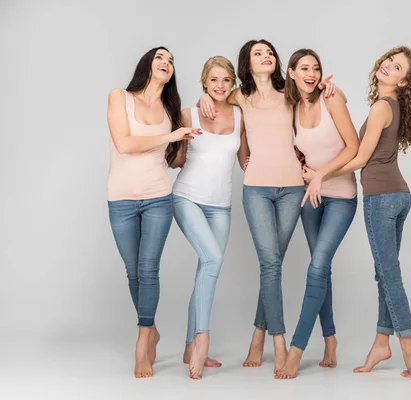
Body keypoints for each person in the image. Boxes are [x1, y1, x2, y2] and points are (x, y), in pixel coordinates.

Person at [198, 39, 335, 373]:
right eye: (259, 53)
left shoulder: (290, 91)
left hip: (292, 189)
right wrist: (203, 95)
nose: (267, 56)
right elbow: (215, 93)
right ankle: (278, 338)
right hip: (256, 189)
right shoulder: (239, 96)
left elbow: (315, 90)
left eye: (270, 52)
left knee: (273, 262)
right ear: (248, 61)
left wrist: (329, 86)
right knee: (270, 263)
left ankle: (258, 334)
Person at [304, 45, 411, 378]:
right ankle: (380, 343)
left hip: (382, 198)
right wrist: (337, 93)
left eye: (397, 67)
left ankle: (408, 343)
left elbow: (358, 159)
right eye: (389, 60)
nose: (388, 66)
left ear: (403, 82)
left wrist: (319, 174)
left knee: (389, 274)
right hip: (398, 195)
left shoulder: (380, 108)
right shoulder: (392, 105)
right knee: (384, 273)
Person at [106, 46, 199, 378]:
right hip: (121, 198)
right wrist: (172, 134)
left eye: (172, 60)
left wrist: (186, 139)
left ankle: (143, 340)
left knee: (148, 269)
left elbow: (173, 161)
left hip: (159, 196)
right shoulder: (121, 97)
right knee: (132, 271)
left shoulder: (169, 110)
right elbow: (125, 144)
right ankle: (153, 328)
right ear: (147, 63)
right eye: (161, 57)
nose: (167, 63)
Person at [275, 49, 359, 379]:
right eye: (304, 68)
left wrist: (321, 174)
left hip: (341, 196)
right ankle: (330, 340)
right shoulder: (292, 107)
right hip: (311, 197)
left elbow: (353, 147)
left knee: (317, 266)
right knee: (320, 270)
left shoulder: (331, 99)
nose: (311, 73)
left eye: (316, 68)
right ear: (292, 73)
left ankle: (296, 350)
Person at [168, 56, 248, 379]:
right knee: (213, 259)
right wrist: (180, 139)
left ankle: (189, 344)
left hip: (221, 205)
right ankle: (202, 339)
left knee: (207, 266)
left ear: (232, 84)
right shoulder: (189, 112)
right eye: (213, 80)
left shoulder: (240, 116)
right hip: (187, 198)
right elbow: (175, 161)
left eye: (226, 80)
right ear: (205, 82)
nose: (219, 85)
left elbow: (246, 161)